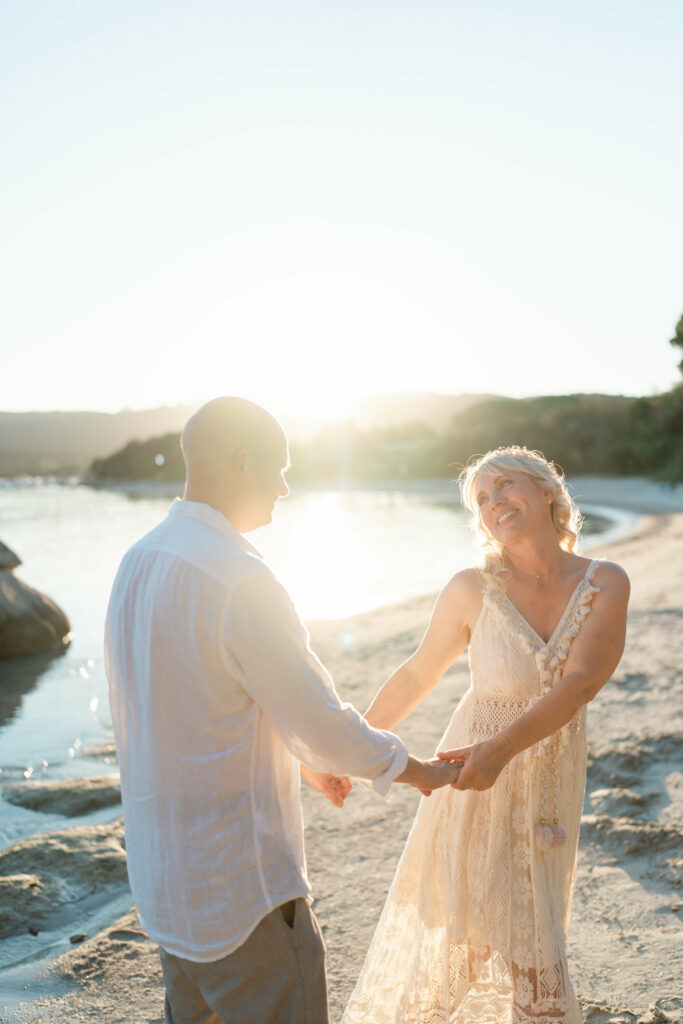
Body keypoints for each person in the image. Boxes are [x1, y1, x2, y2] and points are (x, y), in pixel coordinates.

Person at [104, 396, 462, 1024]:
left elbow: (185, 707)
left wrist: (301, 763)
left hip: (165, 889)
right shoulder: (240, 579)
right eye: (279, 468)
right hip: (242, 897)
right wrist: (417, 770)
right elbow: (320, 721)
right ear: (241, 461)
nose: (287, 487)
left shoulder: (135, 563)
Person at [342, 446, 630, 1024]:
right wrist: (351, 745)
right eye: (482, 499)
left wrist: (500, 750)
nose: (495, 503)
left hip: (541, 778)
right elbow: (419, 673)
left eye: (505, 487)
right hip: (470, 778)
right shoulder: (471, 588)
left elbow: (579, 685)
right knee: (469, 933)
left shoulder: (605, 582)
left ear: (547, 490)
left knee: (528, 929)